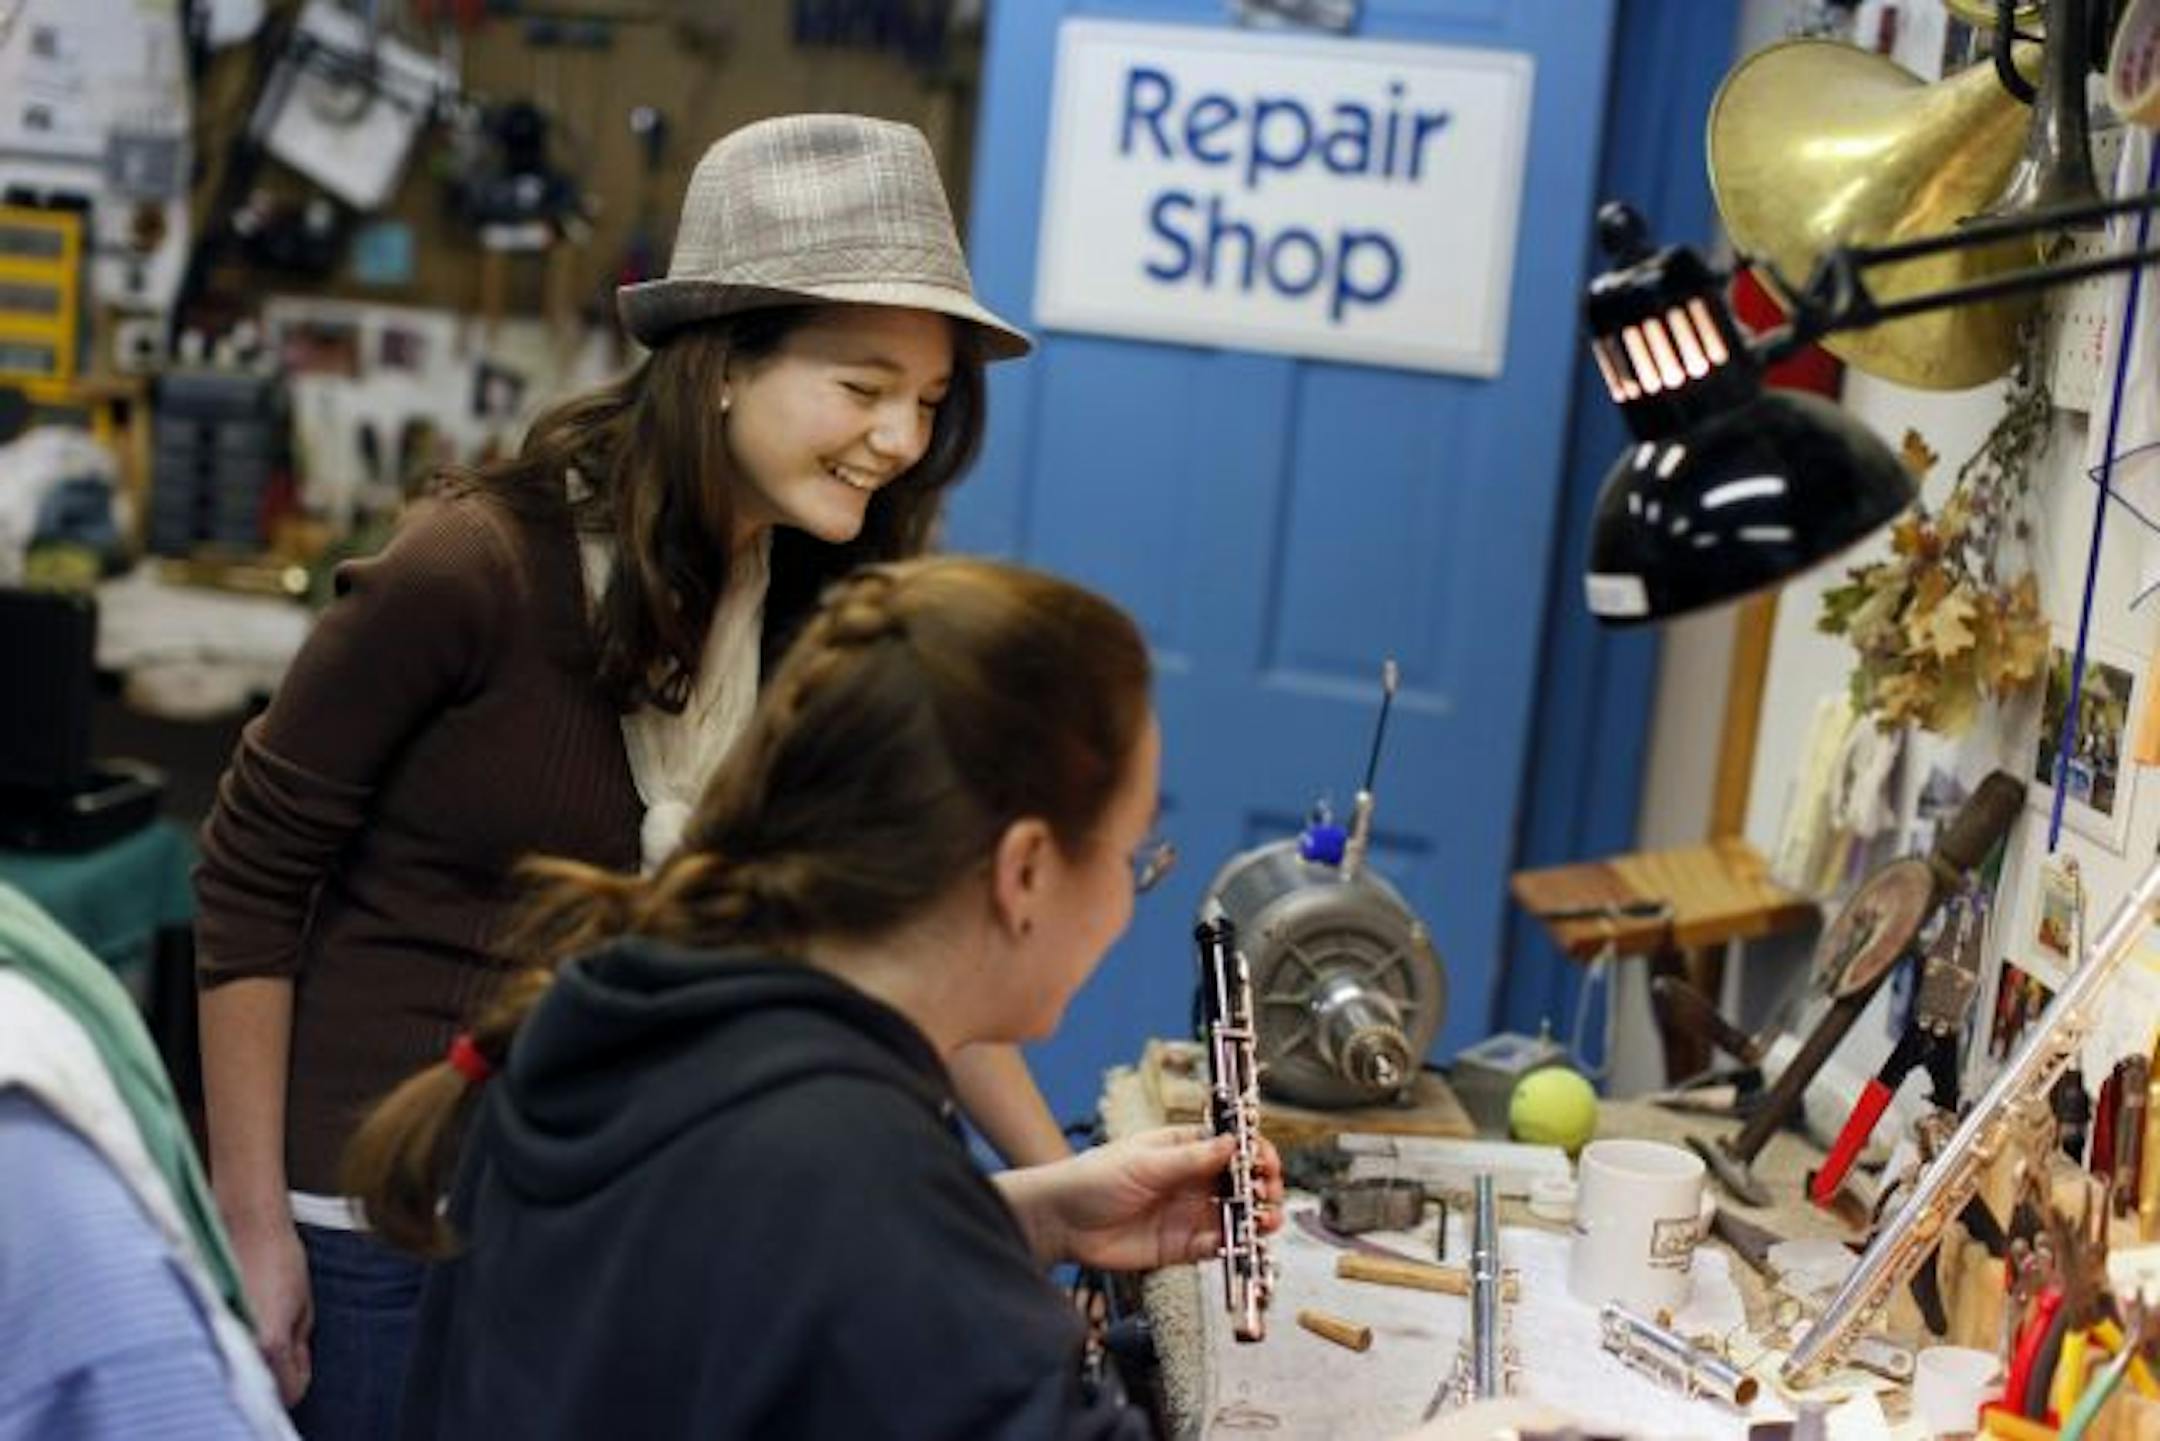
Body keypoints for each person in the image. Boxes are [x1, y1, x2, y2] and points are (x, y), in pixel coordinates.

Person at [192, 114, 1062, 1437]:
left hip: (601, 1200)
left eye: (929, 403)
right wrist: (253, 1228)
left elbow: (878, 924)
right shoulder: (476, 565)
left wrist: (1070, 1180)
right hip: (378, 1217)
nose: (898, 437)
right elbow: (248, 884)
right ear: (721, 365)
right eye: (862, 385)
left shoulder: (815, 605)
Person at [343, 557, 1285, 1438]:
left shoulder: (631, 1010)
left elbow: (738, 1278)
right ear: (1026, 870)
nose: (1129, 895)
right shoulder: (853, 1172)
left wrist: (1031, 1217)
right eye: (1130, 856)